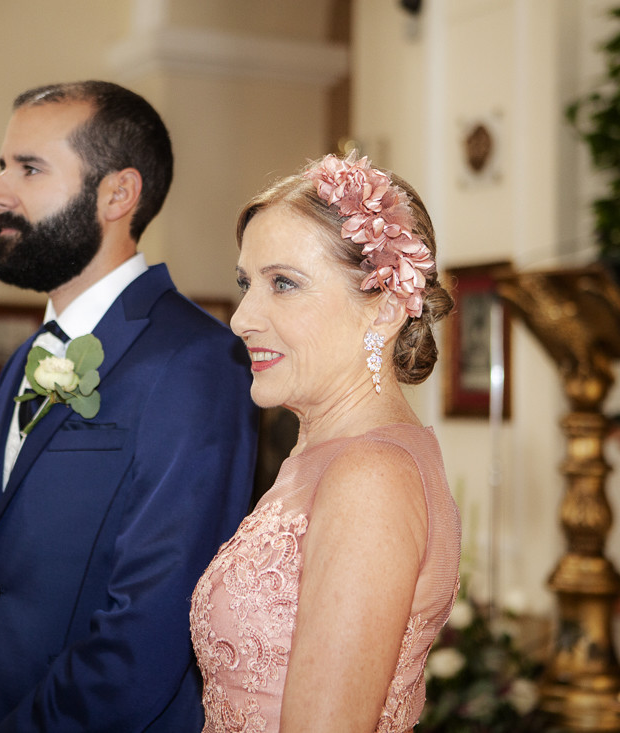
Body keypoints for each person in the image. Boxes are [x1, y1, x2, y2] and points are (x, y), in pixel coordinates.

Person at [0, 80, 259, 733]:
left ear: (117, 193)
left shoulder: (197, 363)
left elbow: (149, 628)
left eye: (28, 168)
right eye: (2, 166)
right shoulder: (25, 359)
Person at [190, 152, 462, 732]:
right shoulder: (324, 457)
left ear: (386, 307)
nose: (241, 318)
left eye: (283, 284)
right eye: (246, 284)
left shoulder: (371, 476)